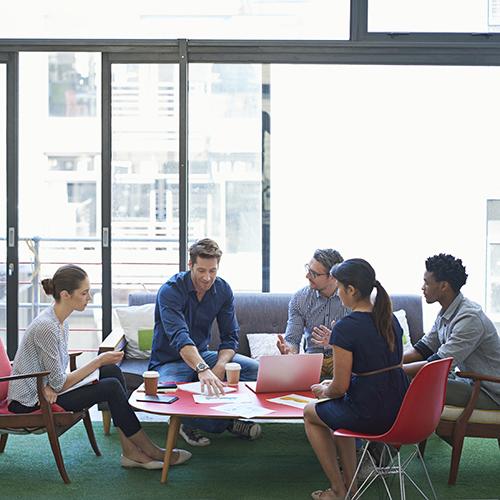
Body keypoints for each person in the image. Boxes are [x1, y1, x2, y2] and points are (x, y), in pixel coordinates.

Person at [8, 265, 191, 469]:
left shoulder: (60, 322)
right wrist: (97, 361)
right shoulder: (47, 327)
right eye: (84, 293)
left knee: (111, 371)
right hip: (29, 401)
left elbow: (55, 375)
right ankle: (151, 451)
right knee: (110, 385)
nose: (89, 298)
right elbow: (58, 382)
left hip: (43, 389)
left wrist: (48, 384)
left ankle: (131, 452)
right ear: (65, 295)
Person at [303, 258, 410, 500]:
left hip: (372, 414)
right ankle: (351, 488)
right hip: (403, 412)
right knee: (341, 415)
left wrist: (324, 390)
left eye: (340, 287)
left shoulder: (346, 327)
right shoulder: (389, 319)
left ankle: (340, 489)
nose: (338, 293)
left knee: (311, 413)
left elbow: (340, 388)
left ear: (351, 290)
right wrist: (335, 387)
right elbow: (386, 368)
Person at [149, 238, 261, 447]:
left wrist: (218, 366)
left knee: (256, 371)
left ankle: (210, 419)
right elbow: (180, 337)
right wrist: (202, 369)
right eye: (201, 270)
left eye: (213, 271)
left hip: (202, 355)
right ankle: (218, 423)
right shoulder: (170, 291)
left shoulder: (223, 290)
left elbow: (230, 337)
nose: (207, 278)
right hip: (169, 361)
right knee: (165, 393)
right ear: (190, 265)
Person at [403, 253, 500, 409]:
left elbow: (437, 364)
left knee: (412, 381)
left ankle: (403, 432)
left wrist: (396, 371)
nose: (422, 287)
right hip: (470, 381)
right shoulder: (446, 313)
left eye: (426, 283)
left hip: (490, 392)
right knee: (401, 378)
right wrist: (391, 362)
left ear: (443, 286)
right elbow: (423, 348)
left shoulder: (470, 318)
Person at [276, 248, 349, 378]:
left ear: (332, 277)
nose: (307, 276)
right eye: (308, 269)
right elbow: (292, 339)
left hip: (342, 356)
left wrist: (336, 341)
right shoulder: (300, 298)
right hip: (313, 359)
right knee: (285, 378)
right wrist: (290, 352)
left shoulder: (351, 297)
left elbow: (361, 341)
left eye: (314, 273)